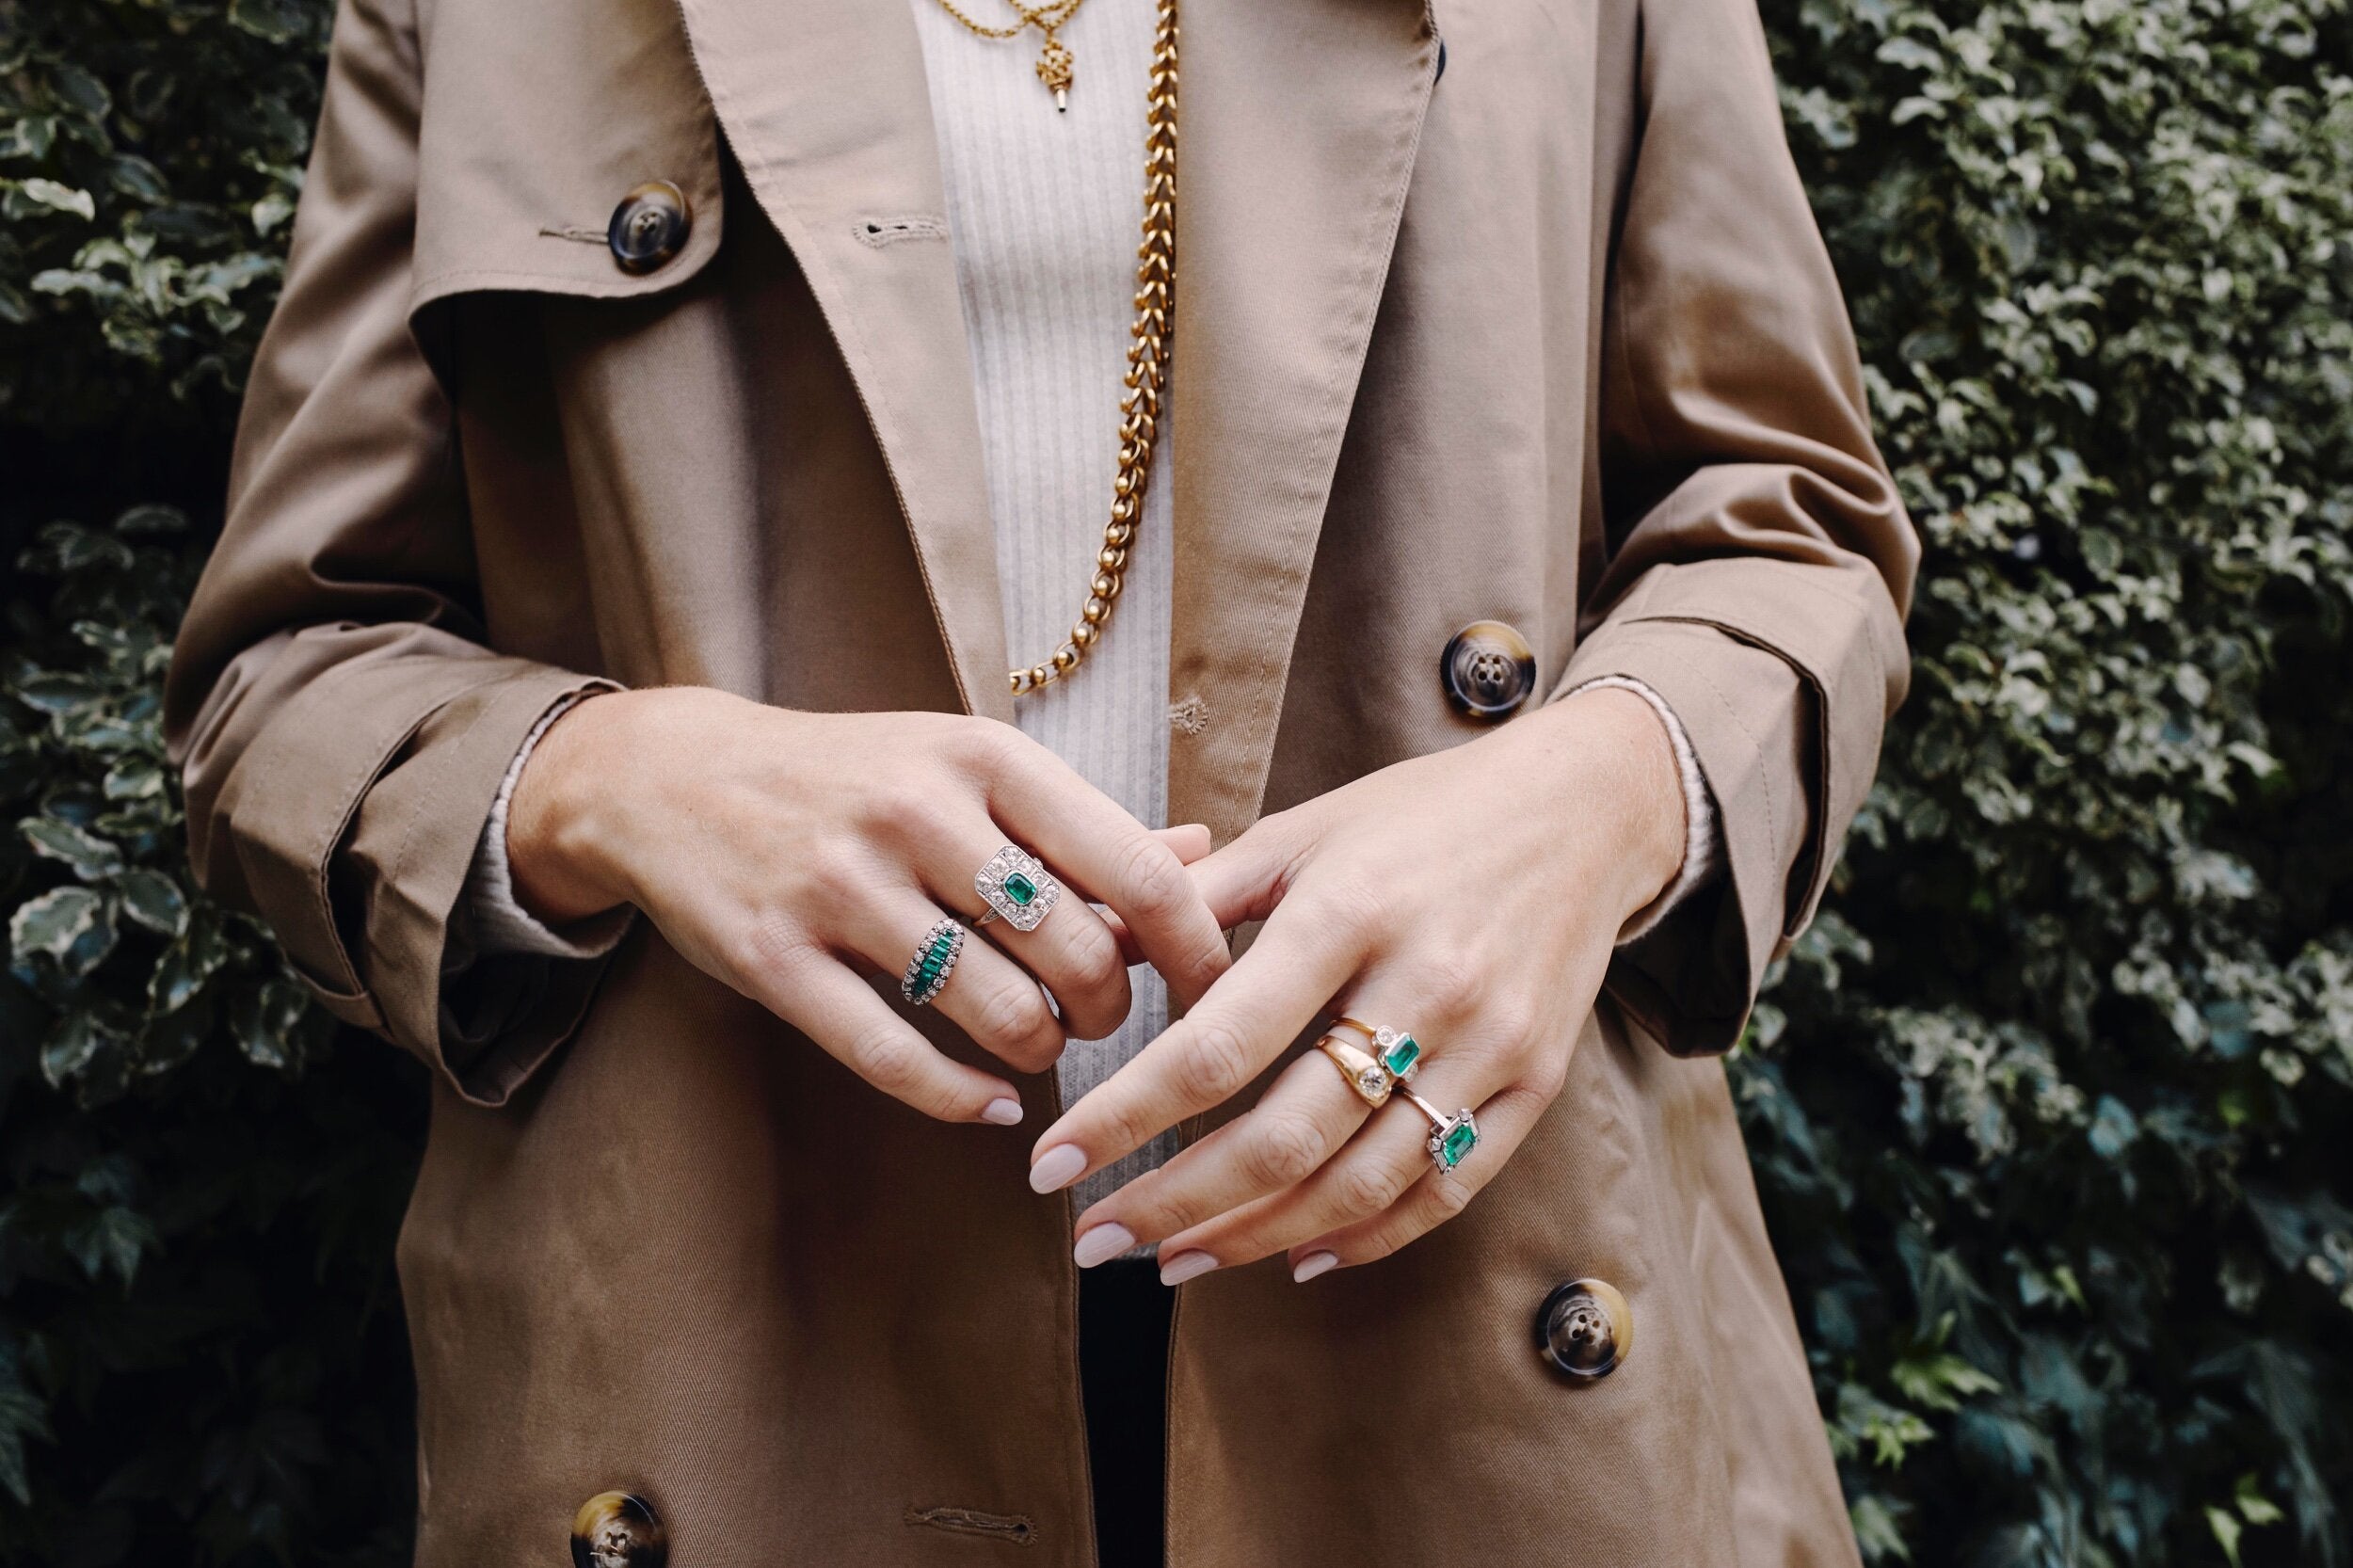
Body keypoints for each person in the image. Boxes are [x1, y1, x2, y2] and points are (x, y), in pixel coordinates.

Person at [164, 0, 1919, 1560]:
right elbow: (284, 669)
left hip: (1465, 1288)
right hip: (747, 1324)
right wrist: (611, 775)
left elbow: (1793, 532)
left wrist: (1601, 796)